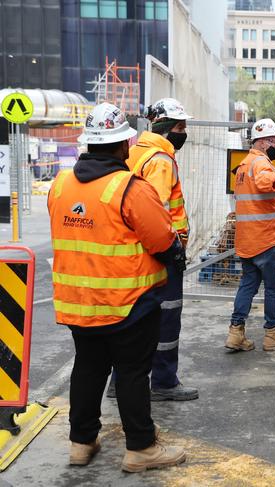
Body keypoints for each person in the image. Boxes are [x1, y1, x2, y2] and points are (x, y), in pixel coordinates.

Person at [48, 103, 186, 471]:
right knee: (132, 372)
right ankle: (141, 447)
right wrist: (176, 255)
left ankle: (81, 442)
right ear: (122, 145)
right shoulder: (129, 187)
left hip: (79, 303)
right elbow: (161, 240)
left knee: (89, 368)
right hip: (128, 304)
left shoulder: (60, 184)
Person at [114, 97, 198, 402]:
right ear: (164, 127)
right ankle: (163, 381)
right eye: (180, 126)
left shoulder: (135, 152)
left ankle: (117, 380)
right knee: (166, 317)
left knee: (132, 317)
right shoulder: (161, 160)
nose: (184, 132)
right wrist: (173, 251)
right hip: (162, 252)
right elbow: (159, 213)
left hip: (134, 252)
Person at [225, 118, 275, 352]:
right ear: (263, 142)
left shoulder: (244, 165)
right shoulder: (260, 164)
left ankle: (236, 334)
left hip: (249, 240)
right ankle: (273, 335)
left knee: (247, 285)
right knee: (273, 288)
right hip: (268, 240)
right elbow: (265, 180)